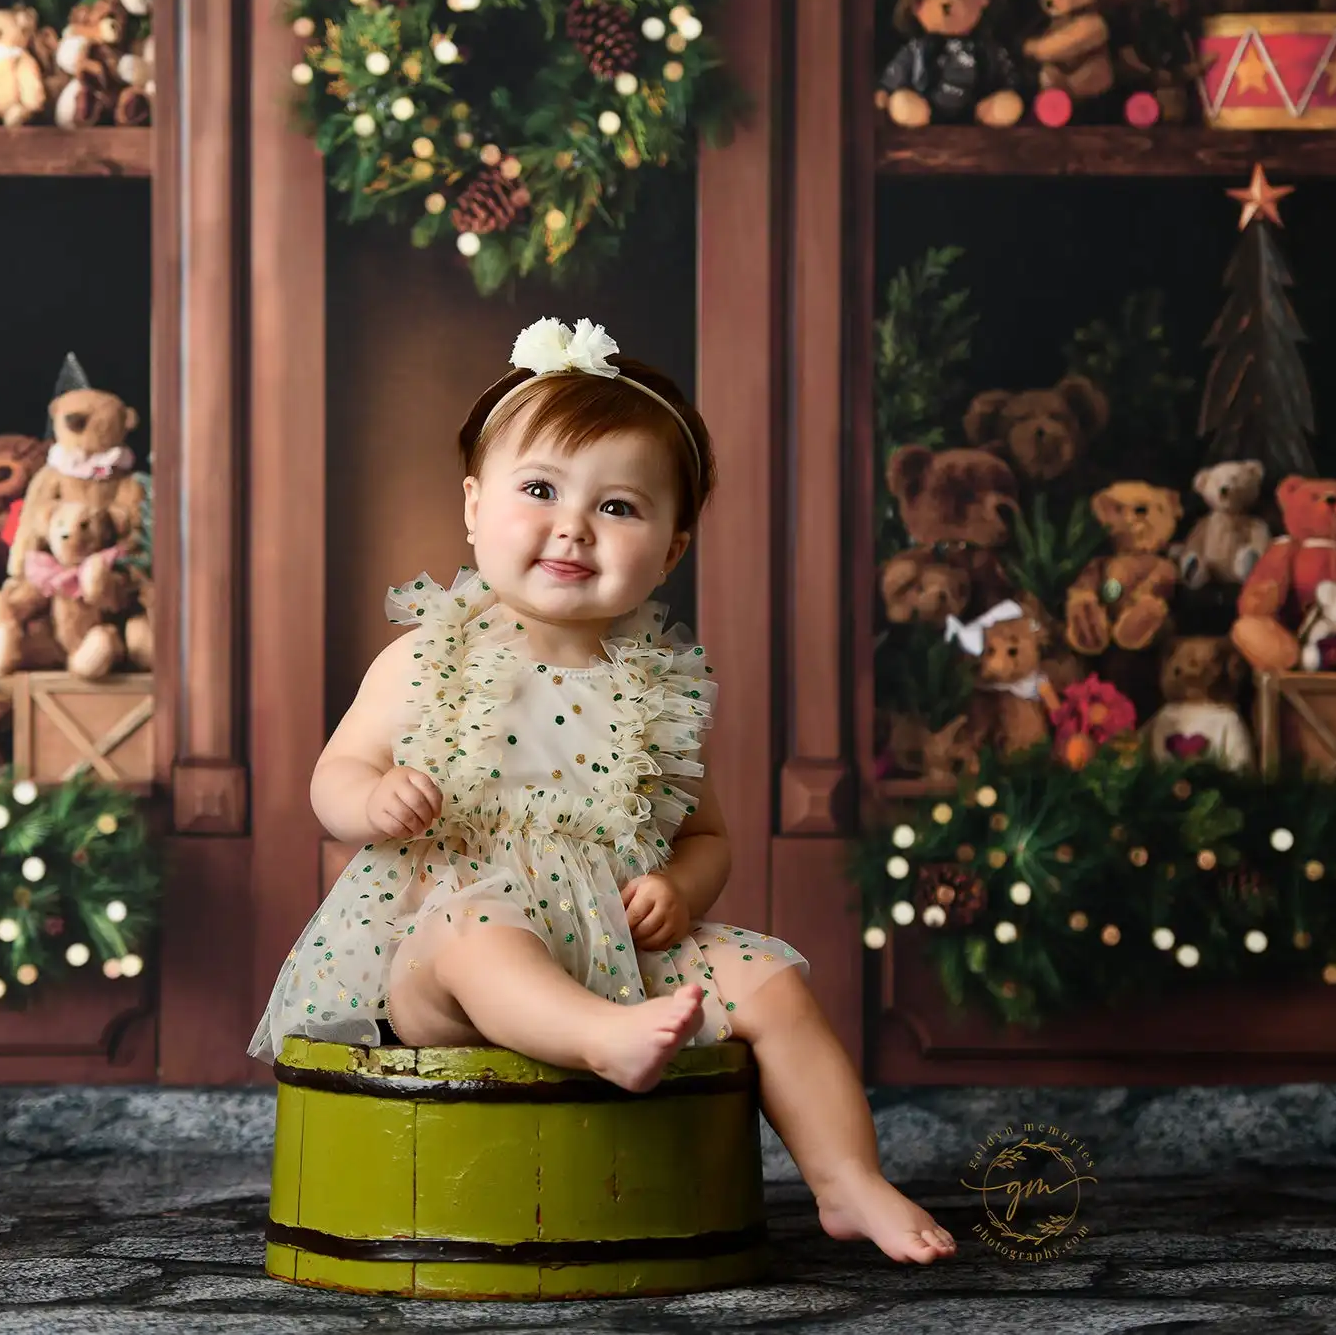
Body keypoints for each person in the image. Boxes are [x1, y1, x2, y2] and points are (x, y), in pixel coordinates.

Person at [248, 318, 957, 1264]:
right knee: (477, 933)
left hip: (614, 948)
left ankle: (846, 1177)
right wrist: (372, 802)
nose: (573, 526)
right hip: (435, 950)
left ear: (671, 549)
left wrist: (684, 891)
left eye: (619, 506)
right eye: (539, 490)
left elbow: (706, 836)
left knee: (773, 981)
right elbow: (333, 776)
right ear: (472, 506)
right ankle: (601, 1038)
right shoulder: (430, 658)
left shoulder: (657, 692)